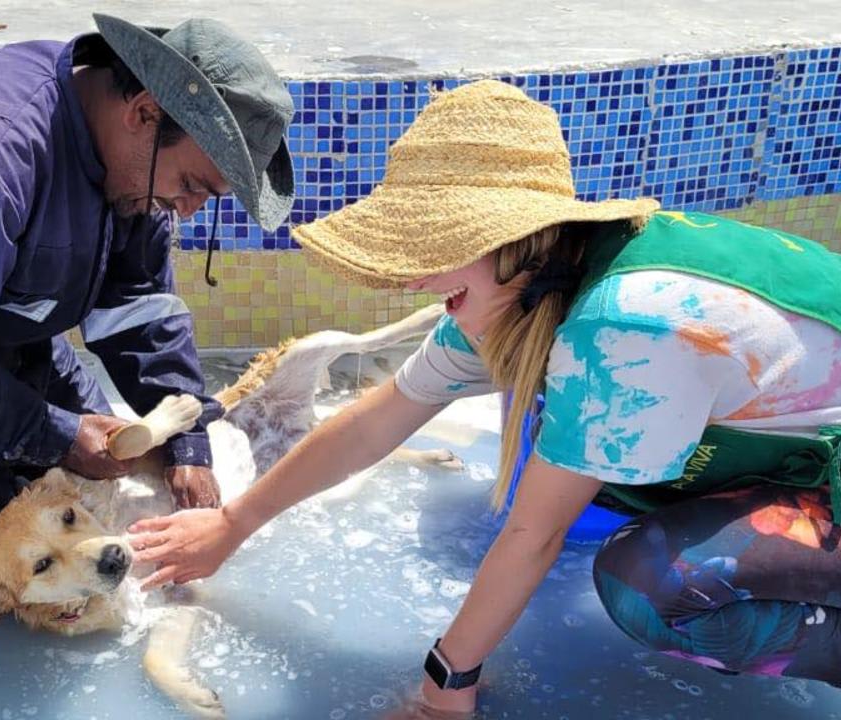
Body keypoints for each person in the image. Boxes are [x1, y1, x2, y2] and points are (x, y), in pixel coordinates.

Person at [129, 79, 841, 716]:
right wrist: (234, 524)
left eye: (433, 244)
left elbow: (535, 534)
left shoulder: (626, 325)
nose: (411, 278)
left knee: (649, 584)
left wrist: (447, 684)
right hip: (795, 454)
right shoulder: (530, 286)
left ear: (511, 238)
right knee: (566, 441)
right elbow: (374, 423)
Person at [0, 13, 296, 605]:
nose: (190, 209)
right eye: (193, 184)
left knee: (91, 497)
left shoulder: (132, 162)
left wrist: (186, 440)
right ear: (144, 111)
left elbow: (137, 305)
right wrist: (58, 435)